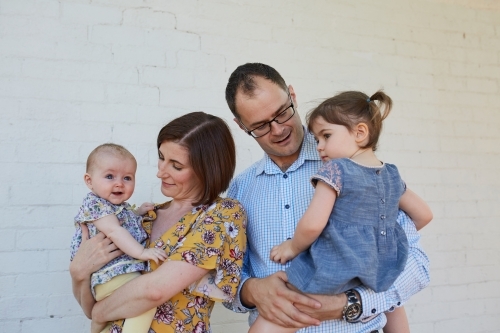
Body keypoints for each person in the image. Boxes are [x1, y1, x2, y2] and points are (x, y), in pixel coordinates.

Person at [224, 63, 431, 333]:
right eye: (261, 125)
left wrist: (350, 303)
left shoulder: (355, 166)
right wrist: (250, 291)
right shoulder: (240, 191)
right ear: (241, 126)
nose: (277, 130)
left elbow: (414, 264)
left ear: (292, 96)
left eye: (282, 113)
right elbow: (225, 277)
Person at [69, 112, 247, 333]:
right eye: (161, 157)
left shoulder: (221, 215)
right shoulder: (143, 218)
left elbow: (153, 291)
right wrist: (78, 273)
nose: (160, 172)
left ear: (206, 170)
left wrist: (98, 314)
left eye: (176, 165)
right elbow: (92, 305)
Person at [70, 143, 168, 333]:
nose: (119, 183)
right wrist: (142, 252)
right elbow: (115, 231)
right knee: (144, 306)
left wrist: (138, 213)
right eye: (109, 176)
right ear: (89, 181)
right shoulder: (95, 204)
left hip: (113, 275)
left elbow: (123, 222)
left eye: (127, 178)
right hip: (111, 275)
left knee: (117, 315)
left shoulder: (116, 207)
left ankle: (98, 325)